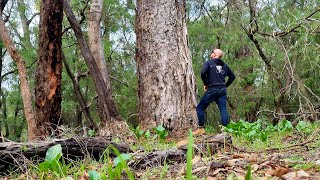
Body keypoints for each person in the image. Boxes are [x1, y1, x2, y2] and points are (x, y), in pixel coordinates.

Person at [193, 48, 236, 135]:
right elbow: (232, 77)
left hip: (212, 89)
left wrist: (206, 84)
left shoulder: (209, 63)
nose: (211, 53)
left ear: (215, 55)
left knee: (200, 108)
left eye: (212, 52)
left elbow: (202, 73)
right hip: (222, 90)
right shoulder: (225, 66)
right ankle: (225, 131)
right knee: (223, 109)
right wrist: (225, 86)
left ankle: (200, 129)